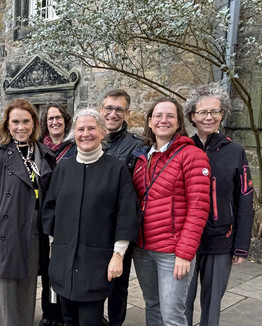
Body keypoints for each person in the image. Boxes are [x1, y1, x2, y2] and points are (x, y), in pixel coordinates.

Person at [42, 108, 139, 326]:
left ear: (103, 132)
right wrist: (51, 243)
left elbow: (126, 213)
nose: (86, 134)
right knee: (68, 318)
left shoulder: (117, 169)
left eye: (91, 128)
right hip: (64, 258)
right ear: (74, 134)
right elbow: (51, 207)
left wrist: (118, 255)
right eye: (80, 129)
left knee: (89, 320)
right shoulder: (63, 168)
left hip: (97, 260)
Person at [0, 98, 56, 326]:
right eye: (16, 122)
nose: (21, 127)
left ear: (34, 124)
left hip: (33, 233)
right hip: (4, 234)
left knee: (25, 294)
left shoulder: (45, 155)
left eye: (26, 121)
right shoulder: (0, 155)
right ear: (8, 125)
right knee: (3, 297)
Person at [132, 97, 210, 326]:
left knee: (172, 316)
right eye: (158, 115)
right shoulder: (141, 158)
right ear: (149, 121)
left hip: (172, 252)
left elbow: (199, 208)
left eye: (170, 116)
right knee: (152, 306)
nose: (163, 120)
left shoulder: (192, 155)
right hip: (143, 249)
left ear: (179, 123)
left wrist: (185, 253)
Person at [183, 84, 254, 326]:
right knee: (181, 300)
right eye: (202, 112)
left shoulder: (235, 151)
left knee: (212, 304)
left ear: (222, 114)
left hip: (220, 239)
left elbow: (245, 198)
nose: (208, 117)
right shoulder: (183, 148)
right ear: (192, 115)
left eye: (215, 111)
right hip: (186, 241)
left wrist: (241, 245)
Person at [98, 89, 144, 326]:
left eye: (119, 110)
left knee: (118, 285)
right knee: (93, 282)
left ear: (127, 113)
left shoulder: (137, 147)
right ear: (101, 110)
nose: (113, 114)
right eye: (109, 108)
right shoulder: (89, 138)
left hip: (119, 228)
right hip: (93, 226)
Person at [38, 103, 74, 326]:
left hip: (68, 216)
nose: (54, 122)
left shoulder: (74, 148)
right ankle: (48, 312)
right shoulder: (39, 148)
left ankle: (64, 312)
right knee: (47, 268)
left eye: (58, 117)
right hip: (45, 214)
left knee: (65, 267)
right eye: (50, 118)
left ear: (65, 120)